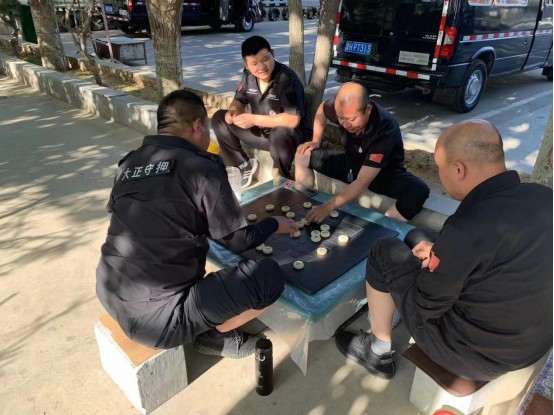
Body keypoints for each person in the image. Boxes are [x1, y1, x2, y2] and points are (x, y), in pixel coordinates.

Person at [335, 119, 553, 381]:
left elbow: (424, 305)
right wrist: (441, 256)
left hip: (475, 355)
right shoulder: (543, 196)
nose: (440, 174)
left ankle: (377, 352)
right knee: (419, 236)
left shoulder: (467, 227)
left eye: (440, 167)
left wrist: (425, 273)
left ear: (458, 169)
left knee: (384, 250)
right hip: (531, 343)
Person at [96, 90, 298, 359]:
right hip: (159, 320)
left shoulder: (129, 163)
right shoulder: (202, 167)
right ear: (197, 126)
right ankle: (212, 336)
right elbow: (238, 240)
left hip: (108, 290)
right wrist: (274, 223)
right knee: (268, 278)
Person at [294, 82, 429, 223]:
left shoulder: (384, 129)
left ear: (368, 110)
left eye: (352, 119)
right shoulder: (344, 110)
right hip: (351, 164)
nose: (346, 124)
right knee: (303, 154)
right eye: (341, 118)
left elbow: (362, 182)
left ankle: (385, 227)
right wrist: (316, 141)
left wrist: (327, 207)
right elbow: (322, 109)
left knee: (418, 190)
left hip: (382, 174)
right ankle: (302, 204)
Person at [211, 35, 311, 186]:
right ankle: (242, 165)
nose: (261, 67)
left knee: (280, 132)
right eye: (254, 63)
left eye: (265, 59)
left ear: (273, 53)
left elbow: (292, 120)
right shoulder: (248, 77)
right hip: (262, 135)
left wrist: (253, 119)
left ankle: (282, 180)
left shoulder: (287, 79)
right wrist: (233, 112)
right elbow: (239, 100)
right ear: (246, 64)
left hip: (289, 138)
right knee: (219, 118)